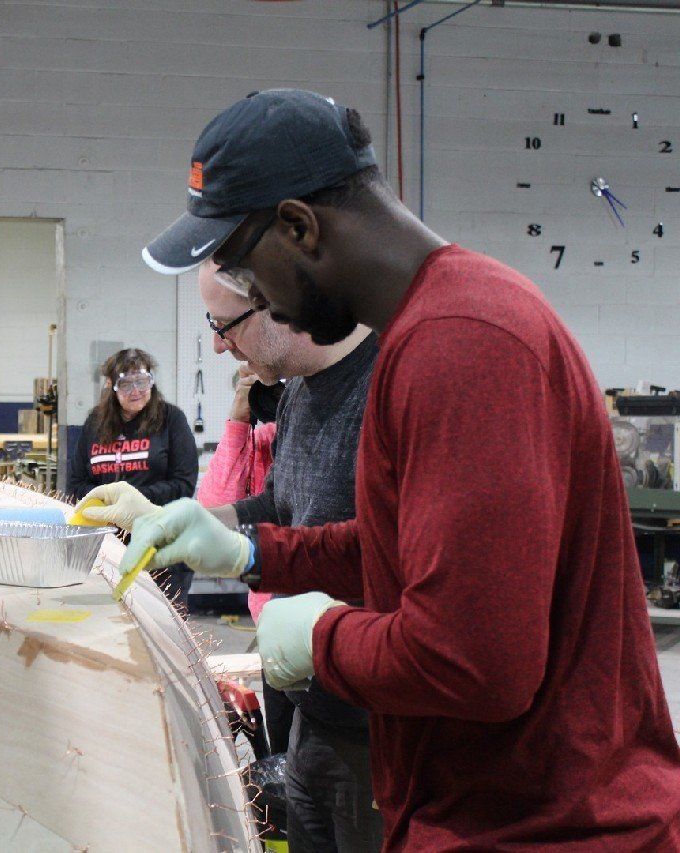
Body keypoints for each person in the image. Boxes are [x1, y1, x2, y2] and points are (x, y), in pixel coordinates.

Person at [106, 90, 680, 847]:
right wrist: (252, 550)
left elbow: (479, 663)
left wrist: (323, 637)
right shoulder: (429, 331)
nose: (258, 300)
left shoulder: (463, 342)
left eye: (247, 273)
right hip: (476, 807)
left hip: (543, 826)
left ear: (299, 226)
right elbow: (411, 548)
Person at [190, 261, 384, 852]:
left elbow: (390, 550)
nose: (219, 346)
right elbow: (281, 501)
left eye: (224, 326)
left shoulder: (385, 387)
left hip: (381, 729)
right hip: (311, 711)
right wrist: (200, 524)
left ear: (274, 303)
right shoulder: (298, 387)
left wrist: (247, 553)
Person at [67, 348, 198, 604]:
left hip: (161, 545)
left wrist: (132, 499)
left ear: (152, 381)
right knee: (110, 617)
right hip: (107, 547)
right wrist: (108, 504)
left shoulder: (171, 420)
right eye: (126, 384)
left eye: (142, 381)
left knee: (161, 621)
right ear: (111, 385)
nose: (135, 390)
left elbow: (183, 484)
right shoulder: (95, 423)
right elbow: (76, 484)